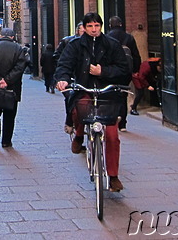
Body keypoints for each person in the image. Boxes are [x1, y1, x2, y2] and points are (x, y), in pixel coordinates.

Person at [55, 12, 132, 192]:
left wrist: (103, 72)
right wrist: (63, 79)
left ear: (101, 26)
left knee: (112, 135)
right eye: (90, 26)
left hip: (108, 93)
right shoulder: (75, 45)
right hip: (84, 88)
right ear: (84, 27)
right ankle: (79, 135)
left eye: (97, 25)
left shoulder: (112, 45)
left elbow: (124, 69)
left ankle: (113, 176)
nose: (94, 29)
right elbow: (64, 65)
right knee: (78, 110)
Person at [0, 28, 28, 148]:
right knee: (9, 115)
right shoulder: (18, 49)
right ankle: (6, 140)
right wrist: (7, 80)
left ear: (1, 35)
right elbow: (20, 67)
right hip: (12, 88)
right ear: (12, 37)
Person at [106, 16, 141, 131]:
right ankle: (123, 124)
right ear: (121, 24)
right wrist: (135, 70)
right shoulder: (129, 37)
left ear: (110, 25)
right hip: (126, 71)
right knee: (123, 95)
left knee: (112, 95)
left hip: (111, 71)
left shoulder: (107, 38)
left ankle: (113, 118)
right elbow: (136, 56)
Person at [53, 22, 84, 130]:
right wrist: (64, 71)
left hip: (84, 79)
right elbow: (57, 57)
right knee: (70, 98)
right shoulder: (69, 41)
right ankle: (70, 121)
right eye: (83, 30)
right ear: (77, 31)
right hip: (69, 77)